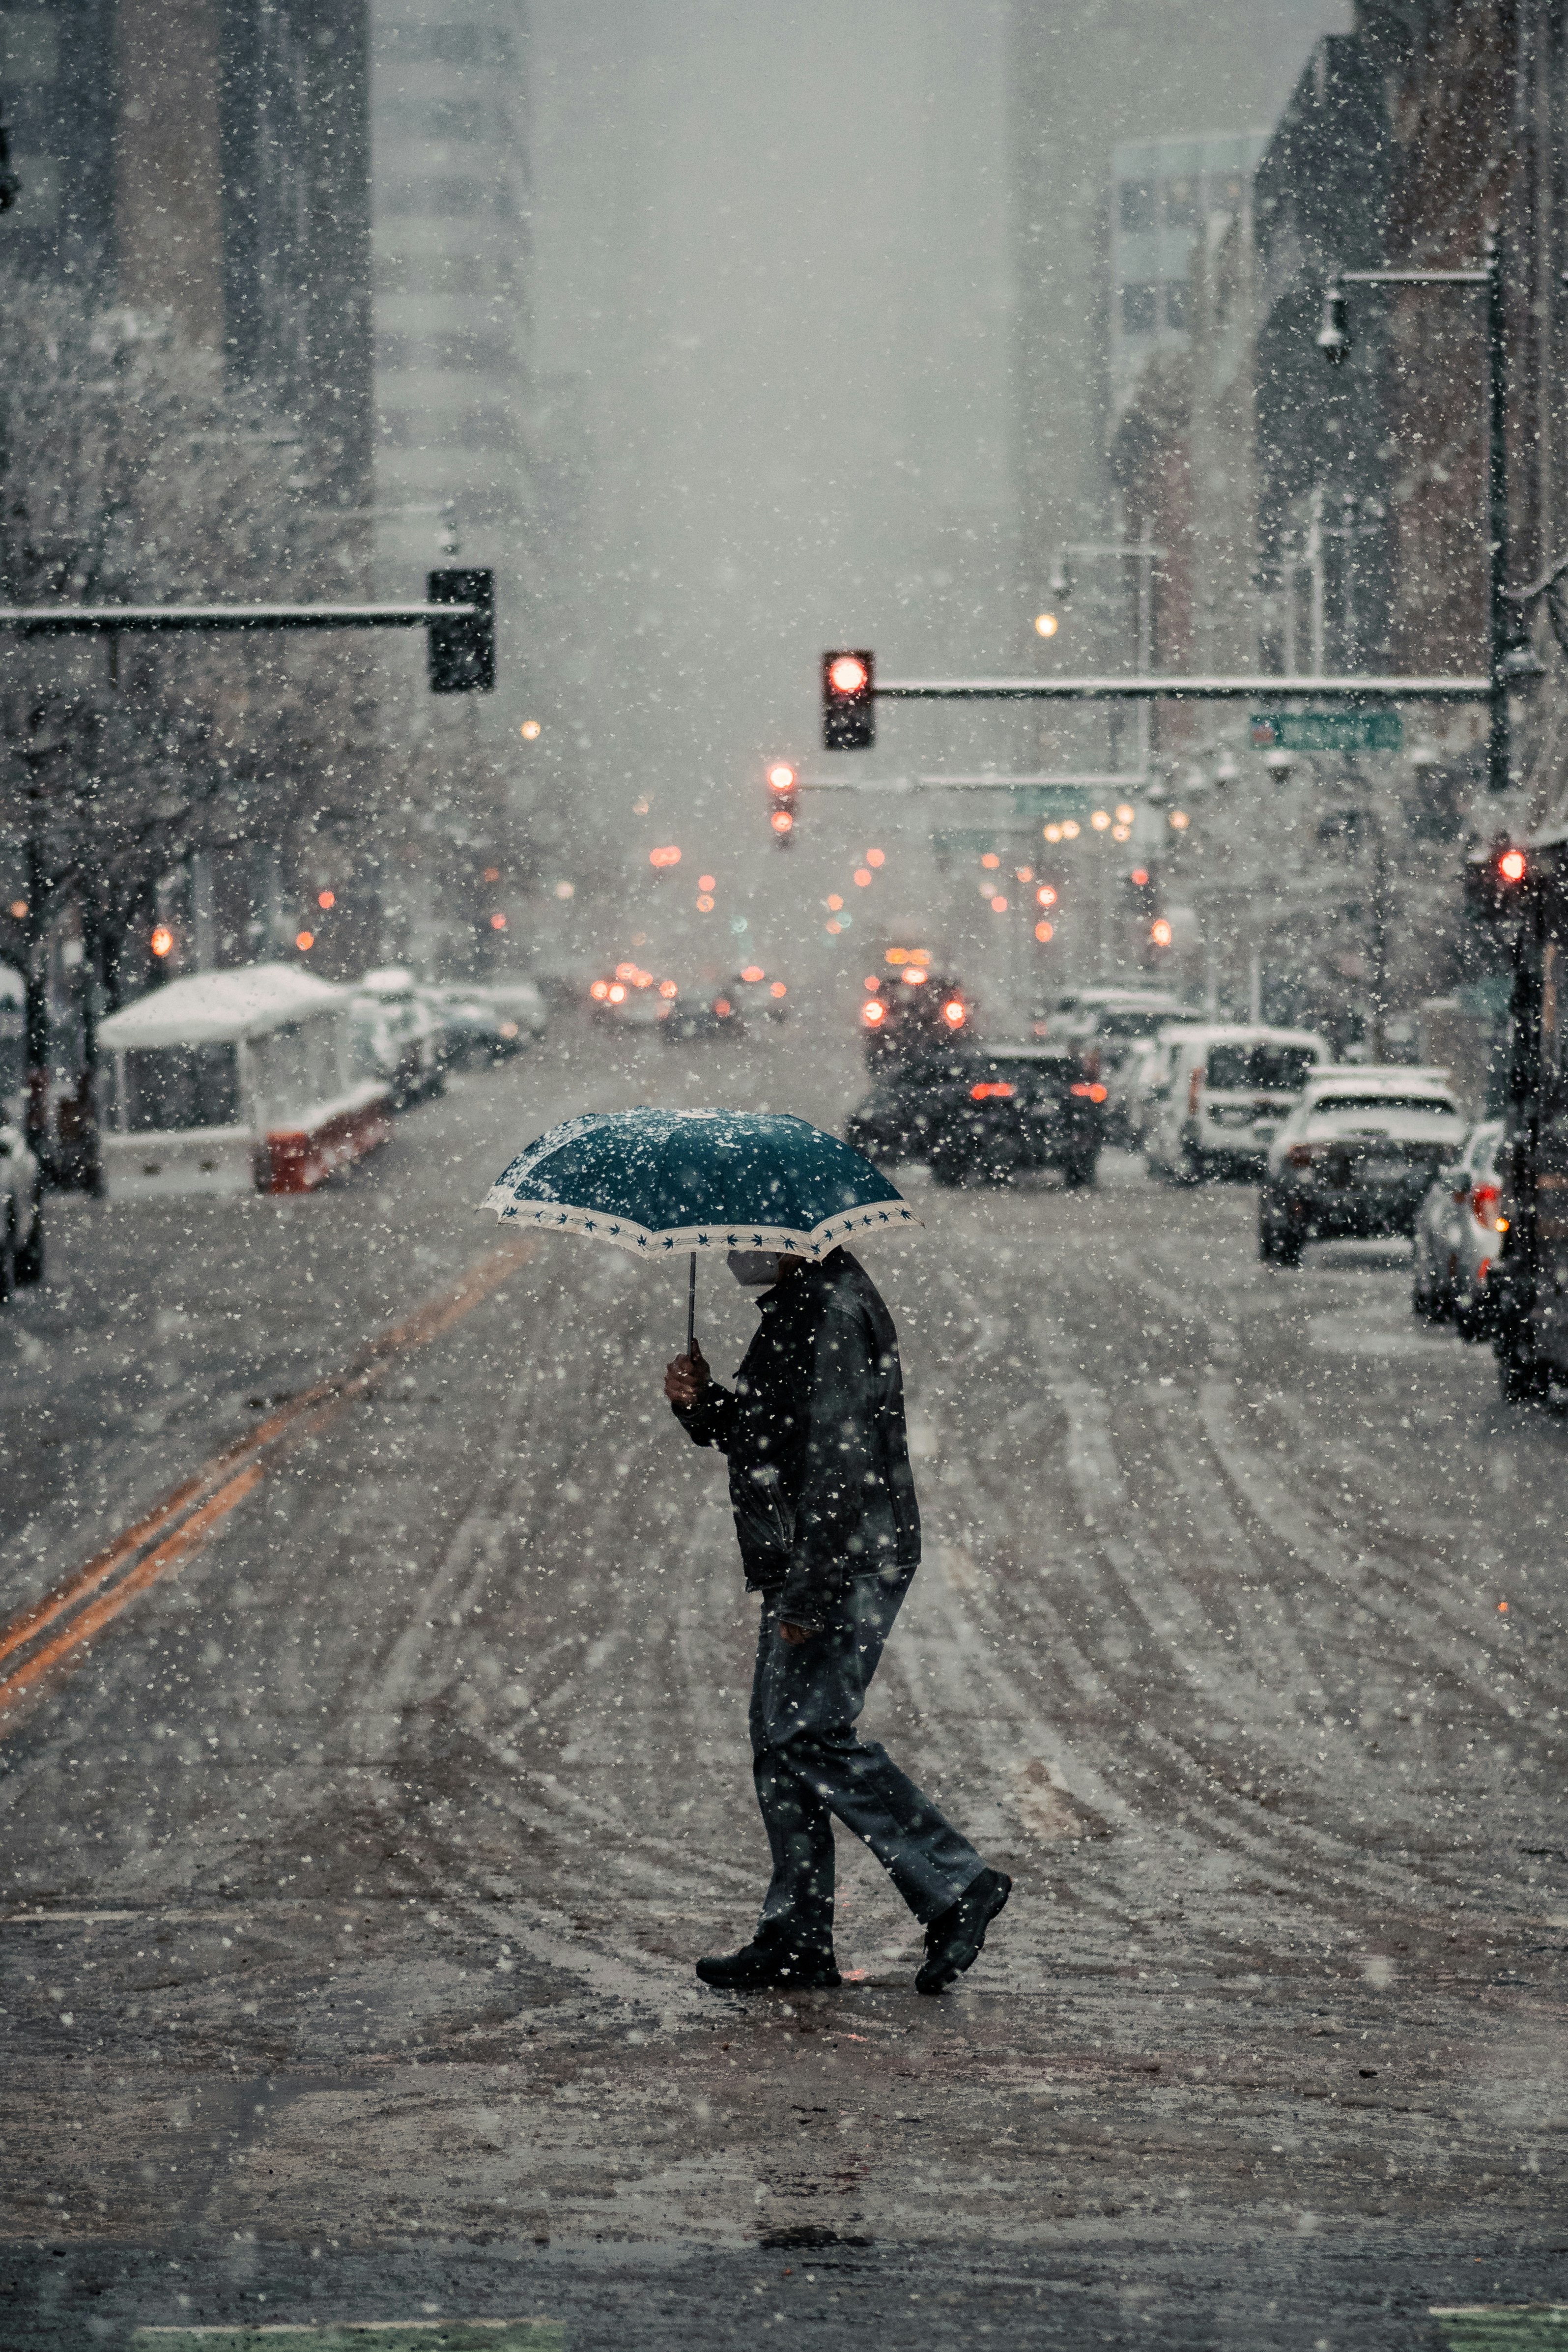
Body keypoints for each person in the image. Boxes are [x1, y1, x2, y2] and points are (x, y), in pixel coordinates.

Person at [664, 1243, 1010, 1995]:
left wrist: (812, 1593)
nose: (734, 1252)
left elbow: (839, 1463)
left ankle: (956, 1884)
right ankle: (795, 1936)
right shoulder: (798, 1308)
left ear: (793, 1241)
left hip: (844, 1557)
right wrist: (703, 1407)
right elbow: (768, 1437)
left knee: (807, 1733)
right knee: (778, 1740)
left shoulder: (830, 1313)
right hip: (815, 1554)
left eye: (747, 1237)